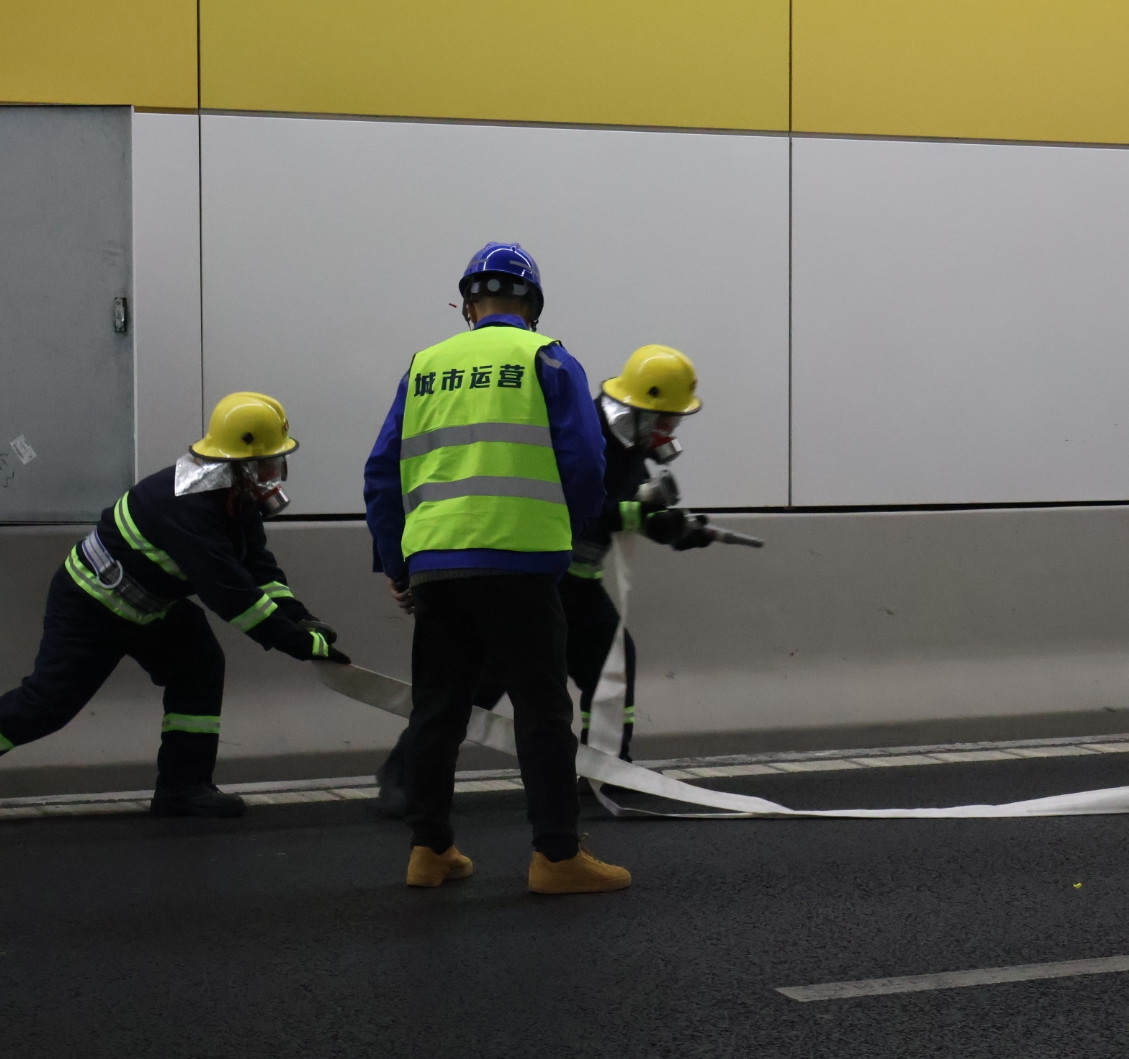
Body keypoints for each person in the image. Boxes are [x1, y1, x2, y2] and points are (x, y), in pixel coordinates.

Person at [363, 241, 631, 894]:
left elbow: (382, 473)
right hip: (520, 563)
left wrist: (397, 563)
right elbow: (586, 463)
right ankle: (556, 858)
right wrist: (568, 529)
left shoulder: (424, 366)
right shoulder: (547, 358)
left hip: (437, 564)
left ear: (468, 306)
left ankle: (429, 851)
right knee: (542, 712)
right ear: (531, 305)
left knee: (437, 710)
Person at [372, 345, 710, 817]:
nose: (670, 431)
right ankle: (402, 775)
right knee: (480, 682)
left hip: (578, 583)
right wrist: (640, 512)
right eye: (667, 419)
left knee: (610, 665)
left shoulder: (633, 444)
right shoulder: (593, 434)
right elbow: (579, 506)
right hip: (538, 576)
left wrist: (675, 529)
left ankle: (609, 766)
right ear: (642, 408)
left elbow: (624, 505)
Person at [0, 392, 347, 817]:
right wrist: (294, 642)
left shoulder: (233, 498)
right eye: (267, 465)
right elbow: (229, 593)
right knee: (46, 706)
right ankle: (183, 786)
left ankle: (183, 788)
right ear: (241, 466)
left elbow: (257, 566)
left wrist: (299, 616)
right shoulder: (189, 506)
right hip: (92, 606)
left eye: (277, 463)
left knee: (200, 664)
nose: (274, 475)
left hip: (149, 605)